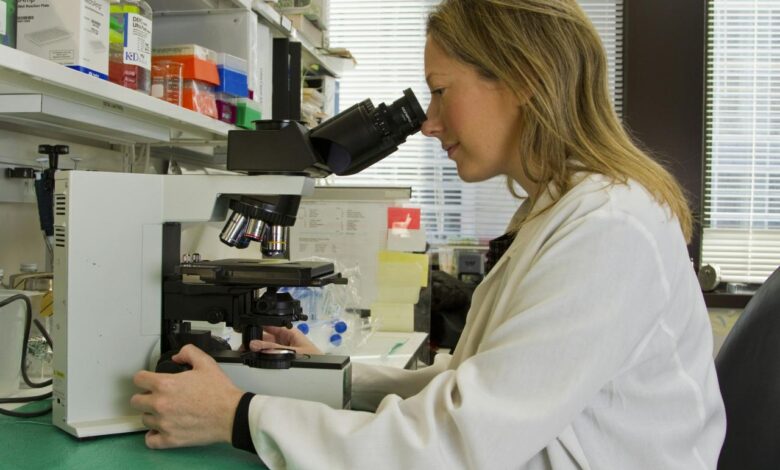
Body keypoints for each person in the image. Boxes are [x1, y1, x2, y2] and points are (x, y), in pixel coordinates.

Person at [130, 0, 726, 468]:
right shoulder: (567, 210)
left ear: (523, 78)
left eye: (440, 92)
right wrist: (333, 377)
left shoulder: (608, 231)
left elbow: (453, 444)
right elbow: (477, 388)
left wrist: (238, 417)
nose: (429, 124)